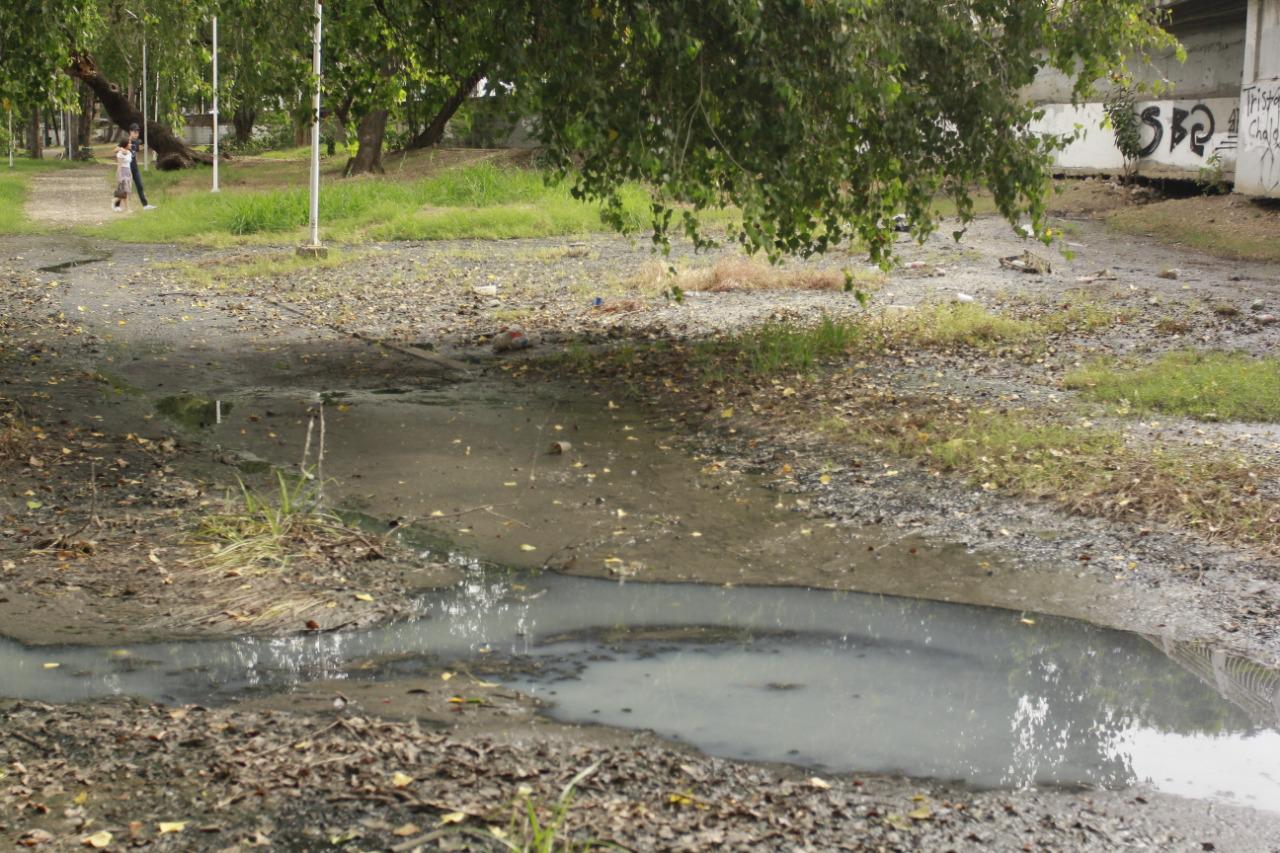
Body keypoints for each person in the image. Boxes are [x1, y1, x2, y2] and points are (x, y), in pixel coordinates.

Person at [127, 123, 156, 210]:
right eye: (134, 132)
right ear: (130, 132)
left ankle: (145, 205)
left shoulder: (136, 142)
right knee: (127, 188)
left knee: (140, 185)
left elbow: (135, 154)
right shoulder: (125, 141)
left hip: (134, 168)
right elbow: (117, 151)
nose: (136, 134)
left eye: (137, 132)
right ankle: (125, 206)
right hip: (127, 169)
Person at [112, 139, 132, 212]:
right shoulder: (120, 154)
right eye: (129, 143)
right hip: (122, 172)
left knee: (125, 191)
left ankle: (114, 201)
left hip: (128, 172)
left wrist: (131, 175)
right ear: (126, 145)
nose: (131, 145)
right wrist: (118, 175)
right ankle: (128, 209)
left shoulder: (129, 153)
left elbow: (129, 165)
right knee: (125, 191)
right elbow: (119, 166)